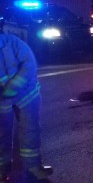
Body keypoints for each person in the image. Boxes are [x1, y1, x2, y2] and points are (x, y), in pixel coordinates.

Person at [0, 28, 52, 182]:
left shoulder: (13, 43)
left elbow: (29, 65)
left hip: (27, 95)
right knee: (1, 134)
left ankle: (33, 167)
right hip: (2, 100)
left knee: (30, 130)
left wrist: (12, 87)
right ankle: (2, 169)